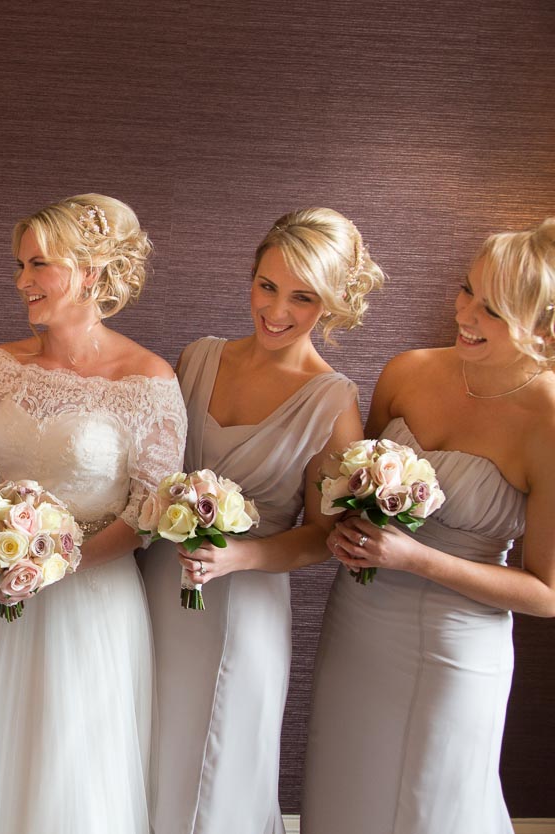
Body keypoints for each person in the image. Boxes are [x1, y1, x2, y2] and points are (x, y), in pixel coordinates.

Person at [0, 194, 186, 834]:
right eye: (20, 265)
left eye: (38, 264)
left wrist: (56, 562)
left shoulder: (148, 380)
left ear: (90, 272)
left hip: (93, 602)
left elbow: (147, 514)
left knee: (76, 769)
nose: (22, 280)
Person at [303, 217, 555, 834]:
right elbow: (350, 484)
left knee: (433, 802)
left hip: (457, 643)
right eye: (467, 290)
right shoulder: (407, 371)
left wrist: (415, 558)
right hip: (360, 619)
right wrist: (341, 517)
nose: (465, 314)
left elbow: (546, 593)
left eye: (493, 310)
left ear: (542, 329)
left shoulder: (547, 419)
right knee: (346, 785)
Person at [142, 208, 379, 833]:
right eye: (267, 286)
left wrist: (237, 556)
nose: (276, 311)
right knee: (145, 748)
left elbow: (326, 535)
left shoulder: (332, 400)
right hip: (157, 584)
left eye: (302, 297)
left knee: (214, 766)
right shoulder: (196, 359)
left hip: (243, 603)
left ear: (331, 302)